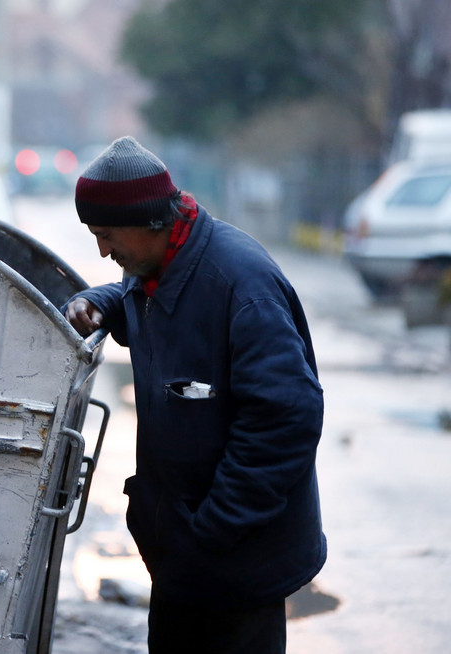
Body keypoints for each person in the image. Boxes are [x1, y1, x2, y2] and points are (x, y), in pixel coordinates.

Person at [64, 137, 326, 653]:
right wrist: (100, 302)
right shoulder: (162, 264)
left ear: (148, 221)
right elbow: (137, 294)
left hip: (236, 559)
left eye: (106, 234)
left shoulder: (240, 284)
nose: (102, 250)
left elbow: (286, 420)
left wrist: (211, 530)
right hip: (186, 553)